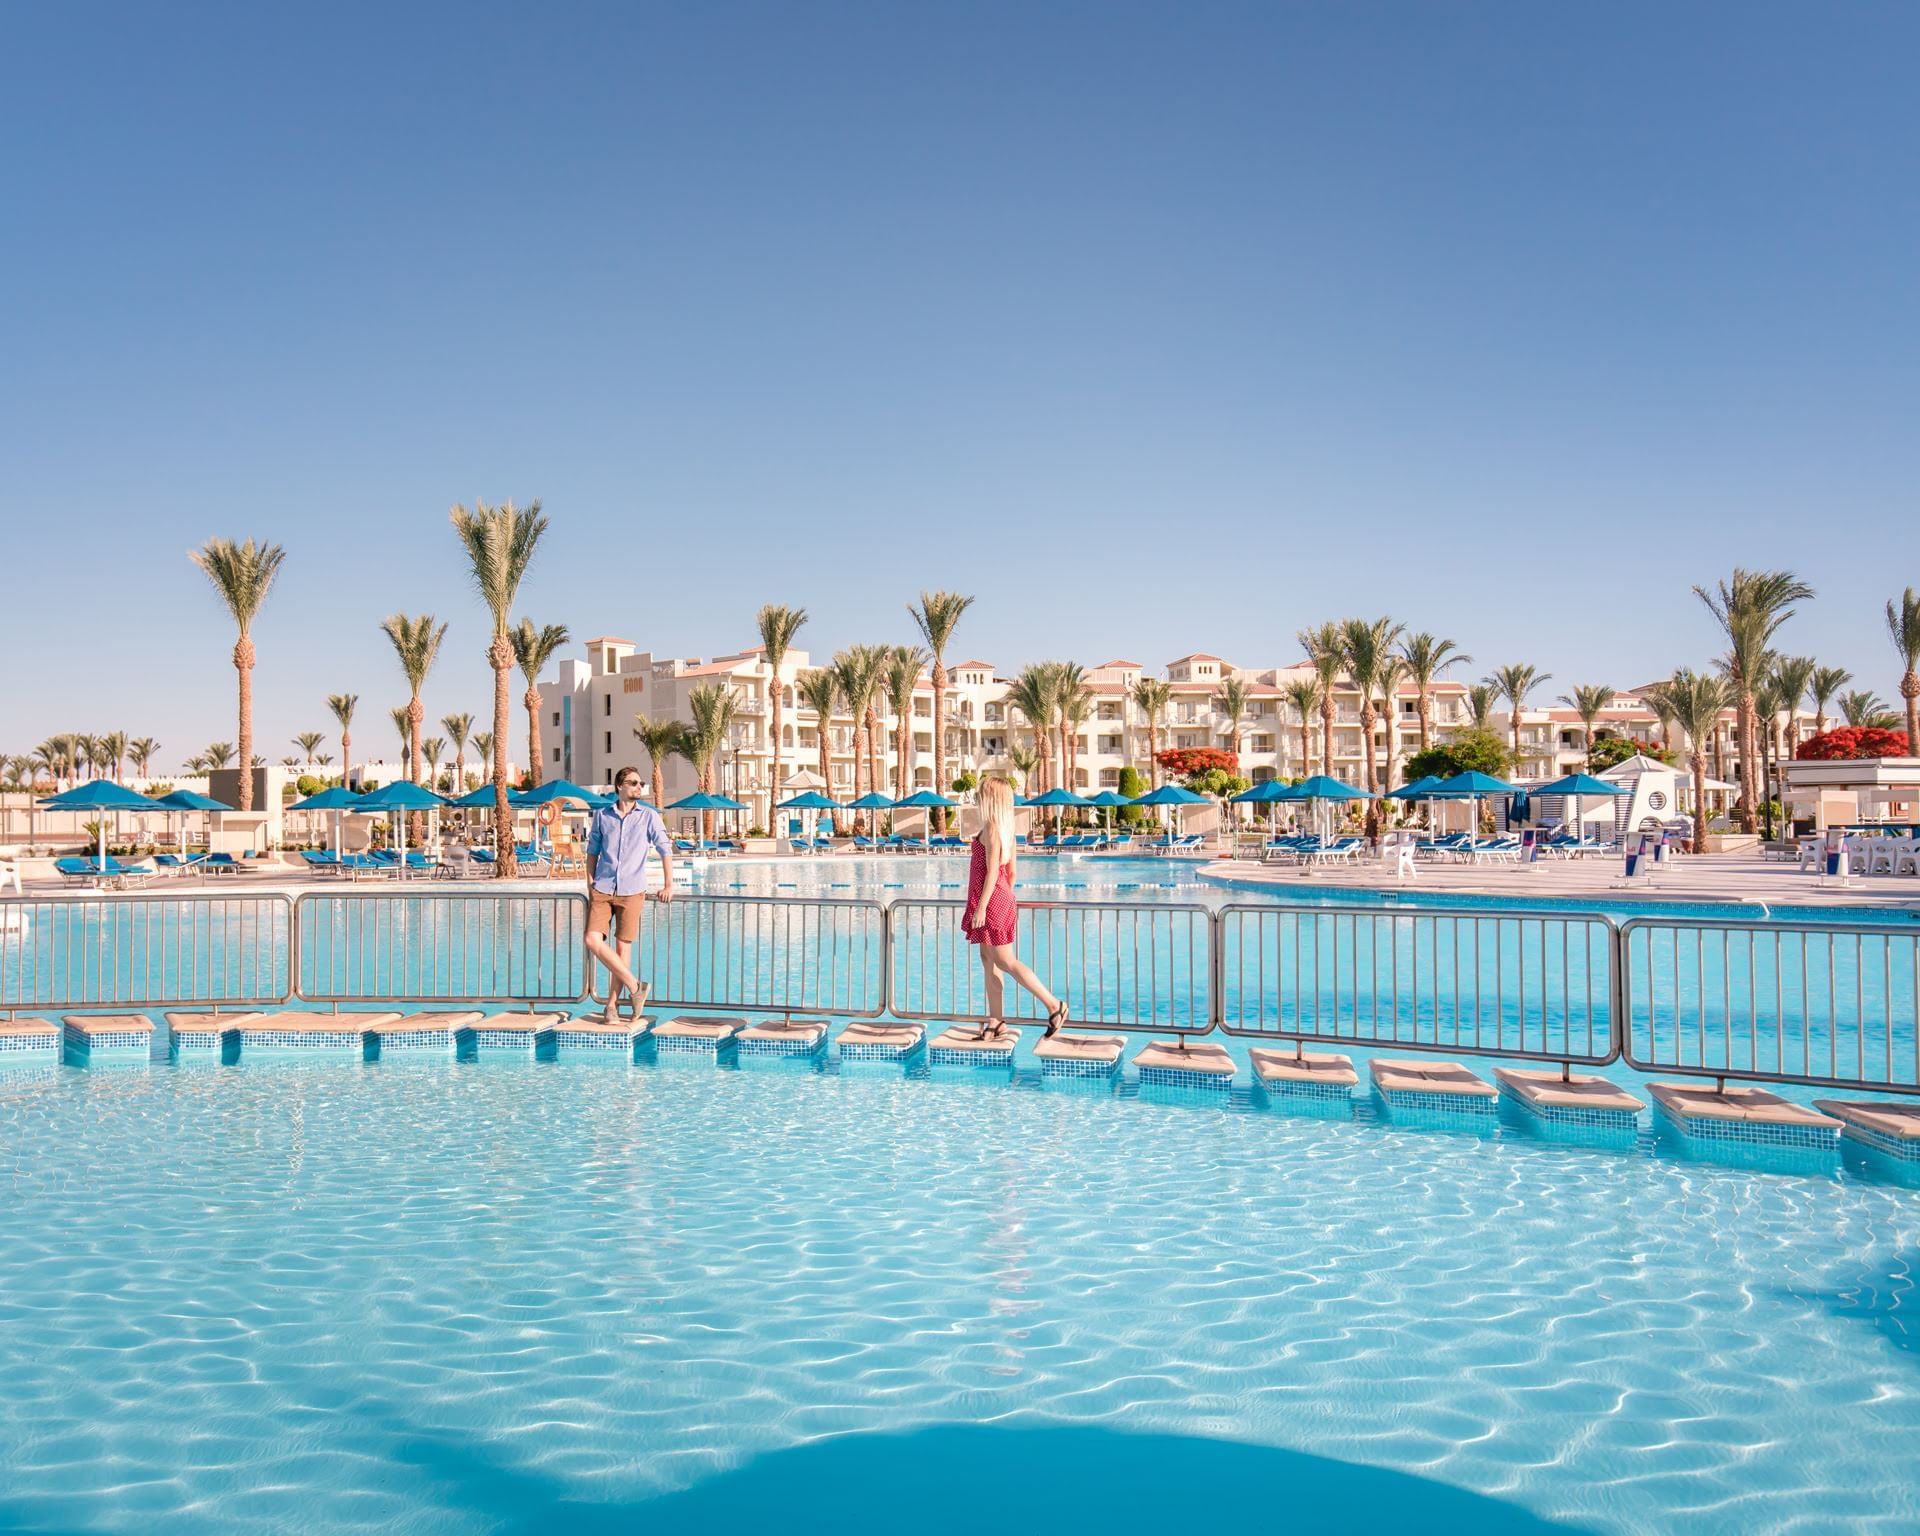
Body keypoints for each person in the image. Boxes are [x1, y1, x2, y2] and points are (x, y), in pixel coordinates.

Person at [965, 776, 1067, 1040]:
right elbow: (1011, 874)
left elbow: (991, 874)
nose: (978, 797)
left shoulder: (992, 829)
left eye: (981, 793)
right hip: (997, 897)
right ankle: (996, 1021)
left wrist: (983, 907)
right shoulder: (1004, 829)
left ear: (990, 799)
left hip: (990, 901)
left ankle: (1054, 1005)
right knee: (989, 961)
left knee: (1005, 960)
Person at [584, 767, 675, 1023]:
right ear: (619, 786)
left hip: (632, 890)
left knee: (623, 950)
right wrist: (590, 882)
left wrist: (669, 885)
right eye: (633, 783)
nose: (639, 787)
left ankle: (611, 1007)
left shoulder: (649, 816)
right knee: (592, 940)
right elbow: (592, 851)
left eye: (640, 783)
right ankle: (636, 988)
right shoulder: (603, 815)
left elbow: (665, 850)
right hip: (602, 888)